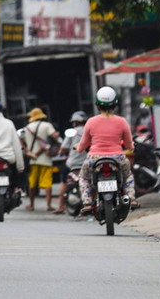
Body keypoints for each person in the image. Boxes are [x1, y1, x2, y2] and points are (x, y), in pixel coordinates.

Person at [77, 86, 134, 216]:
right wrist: (131, 148)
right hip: (118, 158)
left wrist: (78, 148)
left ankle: (87, 202)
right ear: (115, 104)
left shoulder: (91, 122)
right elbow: (129, 144)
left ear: (97, 106)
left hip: (94, 158)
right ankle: (131, 198)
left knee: (84, 178)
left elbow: (83, 144)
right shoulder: (122, 121)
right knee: (128, 176)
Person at [20, 106, 61, 211]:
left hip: (33, 159)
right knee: (47, 182)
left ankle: (31, 204)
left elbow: (20, 139)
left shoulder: (27, 128)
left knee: (32, 182)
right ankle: (48, 205)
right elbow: (55, 137)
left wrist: (27, 150)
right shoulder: (47, 125)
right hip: (45, 158)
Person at [55, 110, 89, 214]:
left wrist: (62, 151)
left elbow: (63, 149)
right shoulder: (89, 130)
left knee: (64, 181)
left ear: (75, 122)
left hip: (72, 164)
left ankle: (61, 206)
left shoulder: (72, 132)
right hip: (88, 163)